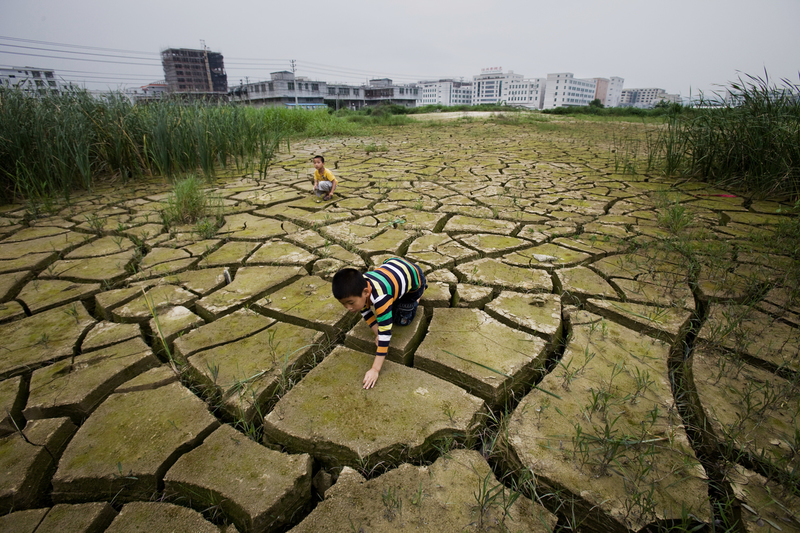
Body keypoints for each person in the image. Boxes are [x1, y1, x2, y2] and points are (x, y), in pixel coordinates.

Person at [332, 258, 427, 389]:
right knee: (385, 312)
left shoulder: (381, 298)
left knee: (401, 320)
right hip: (394, 264)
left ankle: (418, 294)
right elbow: (365, 311)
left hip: (415, 276)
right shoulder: (361, 284)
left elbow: (386, 335)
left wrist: (375, 369)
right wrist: (377, 332)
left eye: (351, 303)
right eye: (343, 304)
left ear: (365, 292)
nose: (348, 308)